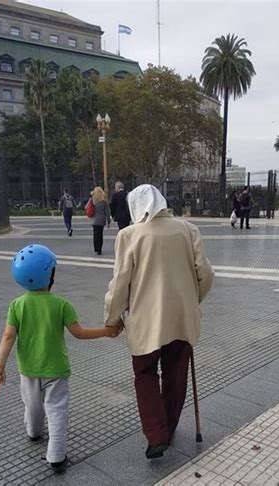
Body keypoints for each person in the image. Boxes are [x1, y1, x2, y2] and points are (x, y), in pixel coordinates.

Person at [104, 184, 214, 459]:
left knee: (145, 374)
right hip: (181, 318)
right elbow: (206, 274)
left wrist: (112, 317)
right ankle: (169, 427)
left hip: (145, 321)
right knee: (176, 375)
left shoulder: (129, 235)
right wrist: (191, 301)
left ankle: (157, 434)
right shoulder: (188, 229)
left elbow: (120, 283)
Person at [0, 244, 121, 473]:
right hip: (56, 370)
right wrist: (107, 331)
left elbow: (8, 336)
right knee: (57, 411)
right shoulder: (61, 304)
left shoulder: (16, 305)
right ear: (49, 274)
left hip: (28, 369)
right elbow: (79, 334)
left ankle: (33, 432)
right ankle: (56, 457)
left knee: (31, 405)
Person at [90, 186, 111, 255]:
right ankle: (99, 249)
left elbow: (87, 207)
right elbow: (107, 212)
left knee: (95, 235)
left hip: (94, 220)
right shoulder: (104, 202)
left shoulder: (92, 200)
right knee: (100, 235)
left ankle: (96, 247)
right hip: (101, 220)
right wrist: (108, 221)